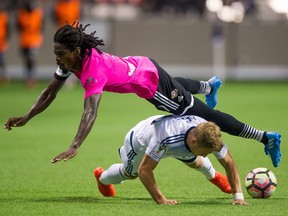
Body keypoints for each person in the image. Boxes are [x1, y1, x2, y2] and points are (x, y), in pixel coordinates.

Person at [4, 22, 281, 168]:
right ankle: (209, 86)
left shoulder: (92, 70)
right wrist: (28, 116)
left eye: (60, 53)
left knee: (204, 115)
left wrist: (75, 145)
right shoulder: (71, 60)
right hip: (142, 64)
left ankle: (265, 137)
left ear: (75, 51)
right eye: (55, 54)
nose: (57, 59)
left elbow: (90, 111)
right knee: (181, 89)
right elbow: (49, 92)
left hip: (150, 84)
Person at [94, 115, 248, 205]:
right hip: (140, 141)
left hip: (178, 142)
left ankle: (215, 177)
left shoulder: (209, 133)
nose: (207, 155)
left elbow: (229, 162)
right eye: (206, 152)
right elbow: (145, 170)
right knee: (130, 173)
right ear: (194, 141)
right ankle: (102, 178)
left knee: (197, 161)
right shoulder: (164, 138)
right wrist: (162, 200)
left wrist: (238, 196)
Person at [16, 0, 44, 88]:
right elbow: (18, 26)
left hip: (34, 39)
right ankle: (29, 77)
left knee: (31, 59)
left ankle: (32, 78)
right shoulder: (22, 14)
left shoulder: (37, 13)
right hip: (24, 40)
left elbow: (41, 26)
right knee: (26, 60)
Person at [0, 2, 9, 85]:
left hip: (1, 43)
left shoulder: (4, 16)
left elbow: (7, 30)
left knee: (2, 61)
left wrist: (6, 40)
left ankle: (4, 77)